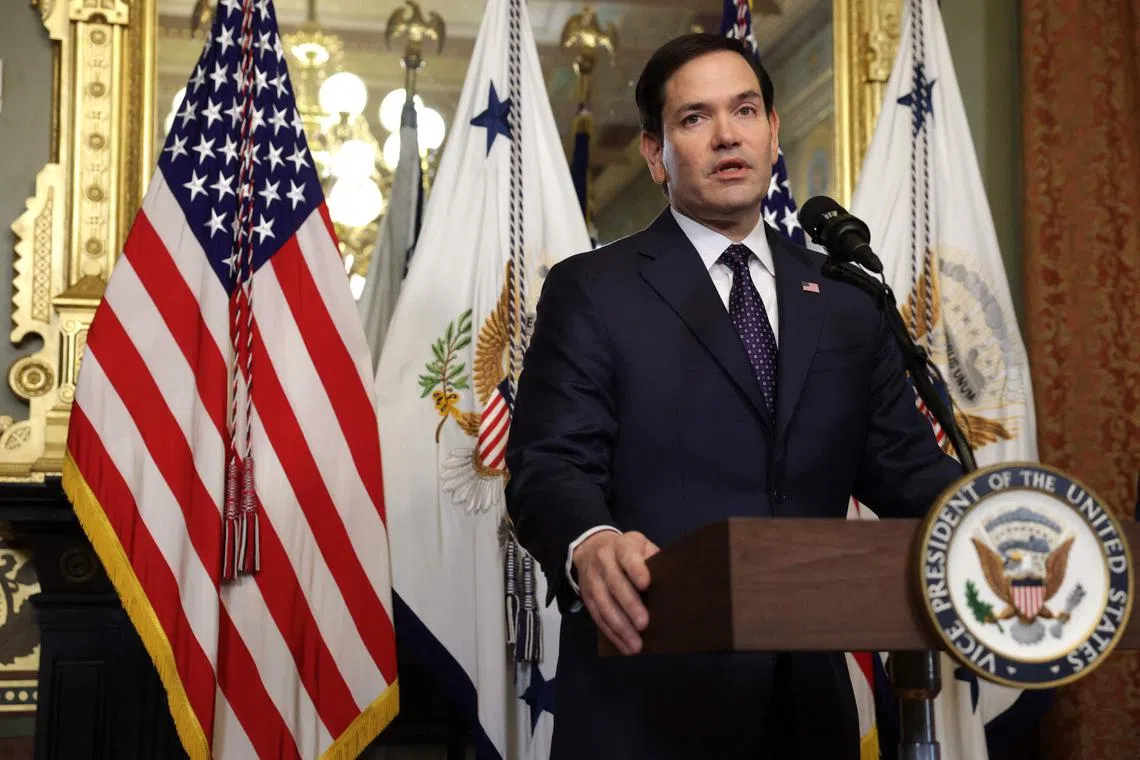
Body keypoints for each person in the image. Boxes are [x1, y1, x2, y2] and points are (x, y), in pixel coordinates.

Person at [504, 33, 964, 759]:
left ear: (773, 133)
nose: (727, 135)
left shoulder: (846, 297)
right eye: (694, 118)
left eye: (745, 110)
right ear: (656, 154)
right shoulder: (594, 290)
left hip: (808, 712)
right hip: (648, 705)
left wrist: (995, 527)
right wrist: (590, 542)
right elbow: (549, 466)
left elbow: (908, 470)